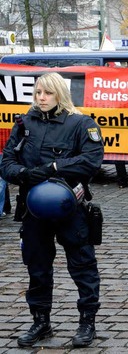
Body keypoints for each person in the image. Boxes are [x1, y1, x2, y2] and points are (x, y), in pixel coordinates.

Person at [0, 72, 104, 348]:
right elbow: (7, 162)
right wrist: (25, 174)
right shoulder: (24, 123)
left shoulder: (80, 123)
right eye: (37, 93)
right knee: (37, 266)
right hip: (34, 210)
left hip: (71, 209)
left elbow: (91, 161)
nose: (41, 98)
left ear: (60, 94)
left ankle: (87, 321)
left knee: (82, 265)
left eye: (47, 93)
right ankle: (40, 320)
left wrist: (54, 169)